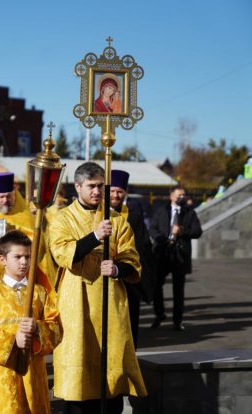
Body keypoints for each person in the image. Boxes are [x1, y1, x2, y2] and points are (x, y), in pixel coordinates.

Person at [48, 162, 146, 413]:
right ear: (78, 186)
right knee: (78, 365)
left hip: (109, 302)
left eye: (101, 186)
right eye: (91, 186)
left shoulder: (117, 220)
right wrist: (95, 236)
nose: (97, 191)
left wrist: (116, 269)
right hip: (76, 301)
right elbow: (62, 253)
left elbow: (132, 261)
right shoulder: (62, 219)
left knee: (110, 365)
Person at [0, 230, 61, 413]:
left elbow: (56, 328)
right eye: (17, 257)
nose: (24, 262)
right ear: (2, 259)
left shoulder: (39, 293)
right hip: (2, 373)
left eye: (27, 257)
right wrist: (12, 340)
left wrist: (38, 328)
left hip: (33, 371)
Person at [109, 170, 155, 348]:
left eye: (119, 191)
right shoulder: (97, 214)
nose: (116, 195)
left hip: (128, 278)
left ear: (125, 193)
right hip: (103, 277)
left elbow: (143, 246)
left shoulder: (133, 215)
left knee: (130, 323)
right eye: (112, 191)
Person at [149, 185, 202, 331]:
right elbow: (153, 228)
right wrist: (163, 240)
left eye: (184, 195)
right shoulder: (161, 210)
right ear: (171, 196)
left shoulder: (190, 212)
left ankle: (177, 321)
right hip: (163, 254)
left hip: (180, 255)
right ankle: (159, 314)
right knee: (156, 286)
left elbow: (197, 231)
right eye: (179, 195)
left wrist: (182, 231)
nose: (182, 197)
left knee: (178, 290)